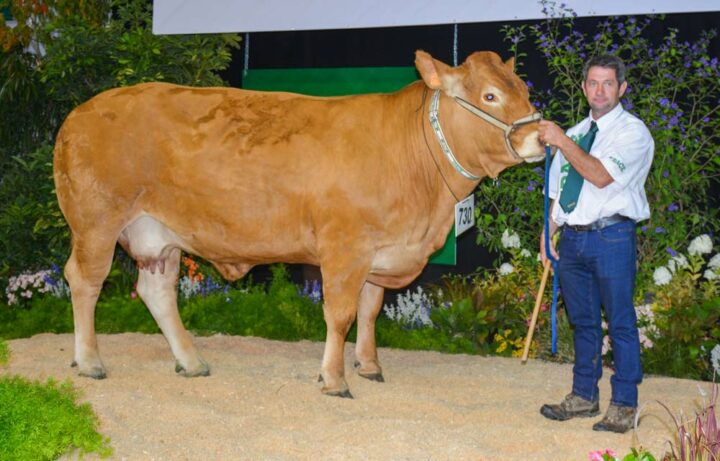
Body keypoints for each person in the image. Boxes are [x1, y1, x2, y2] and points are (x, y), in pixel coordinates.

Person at [537, 54, 654, 433]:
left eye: (607, 83)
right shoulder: (572, 132)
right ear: (584, 87)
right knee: (583, 322)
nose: (599, 90)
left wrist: (561, 142)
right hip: (573, 239)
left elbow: (600, 175)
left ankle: (624, 404)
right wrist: (547, 232)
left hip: (612, 236)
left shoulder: (632, 133)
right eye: (593, 83)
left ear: (622, 88)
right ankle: (583, 396)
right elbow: (562, 193)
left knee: (620, 321)